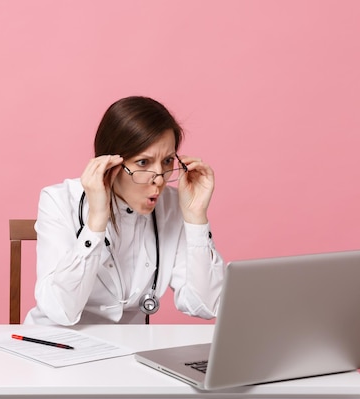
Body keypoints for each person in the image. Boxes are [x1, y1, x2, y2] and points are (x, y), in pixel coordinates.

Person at [24, 96, 224, 325]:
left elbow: (206, 305)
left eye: (168, 161)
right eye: (143, 163)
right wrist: (96, 222)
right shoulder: (59, 200)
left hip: (128, 350)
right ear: (111, 162)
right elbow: (60, 310)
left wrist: (196, 218)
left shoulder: (173, 204)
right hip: (57, 343)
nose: (159, 179)